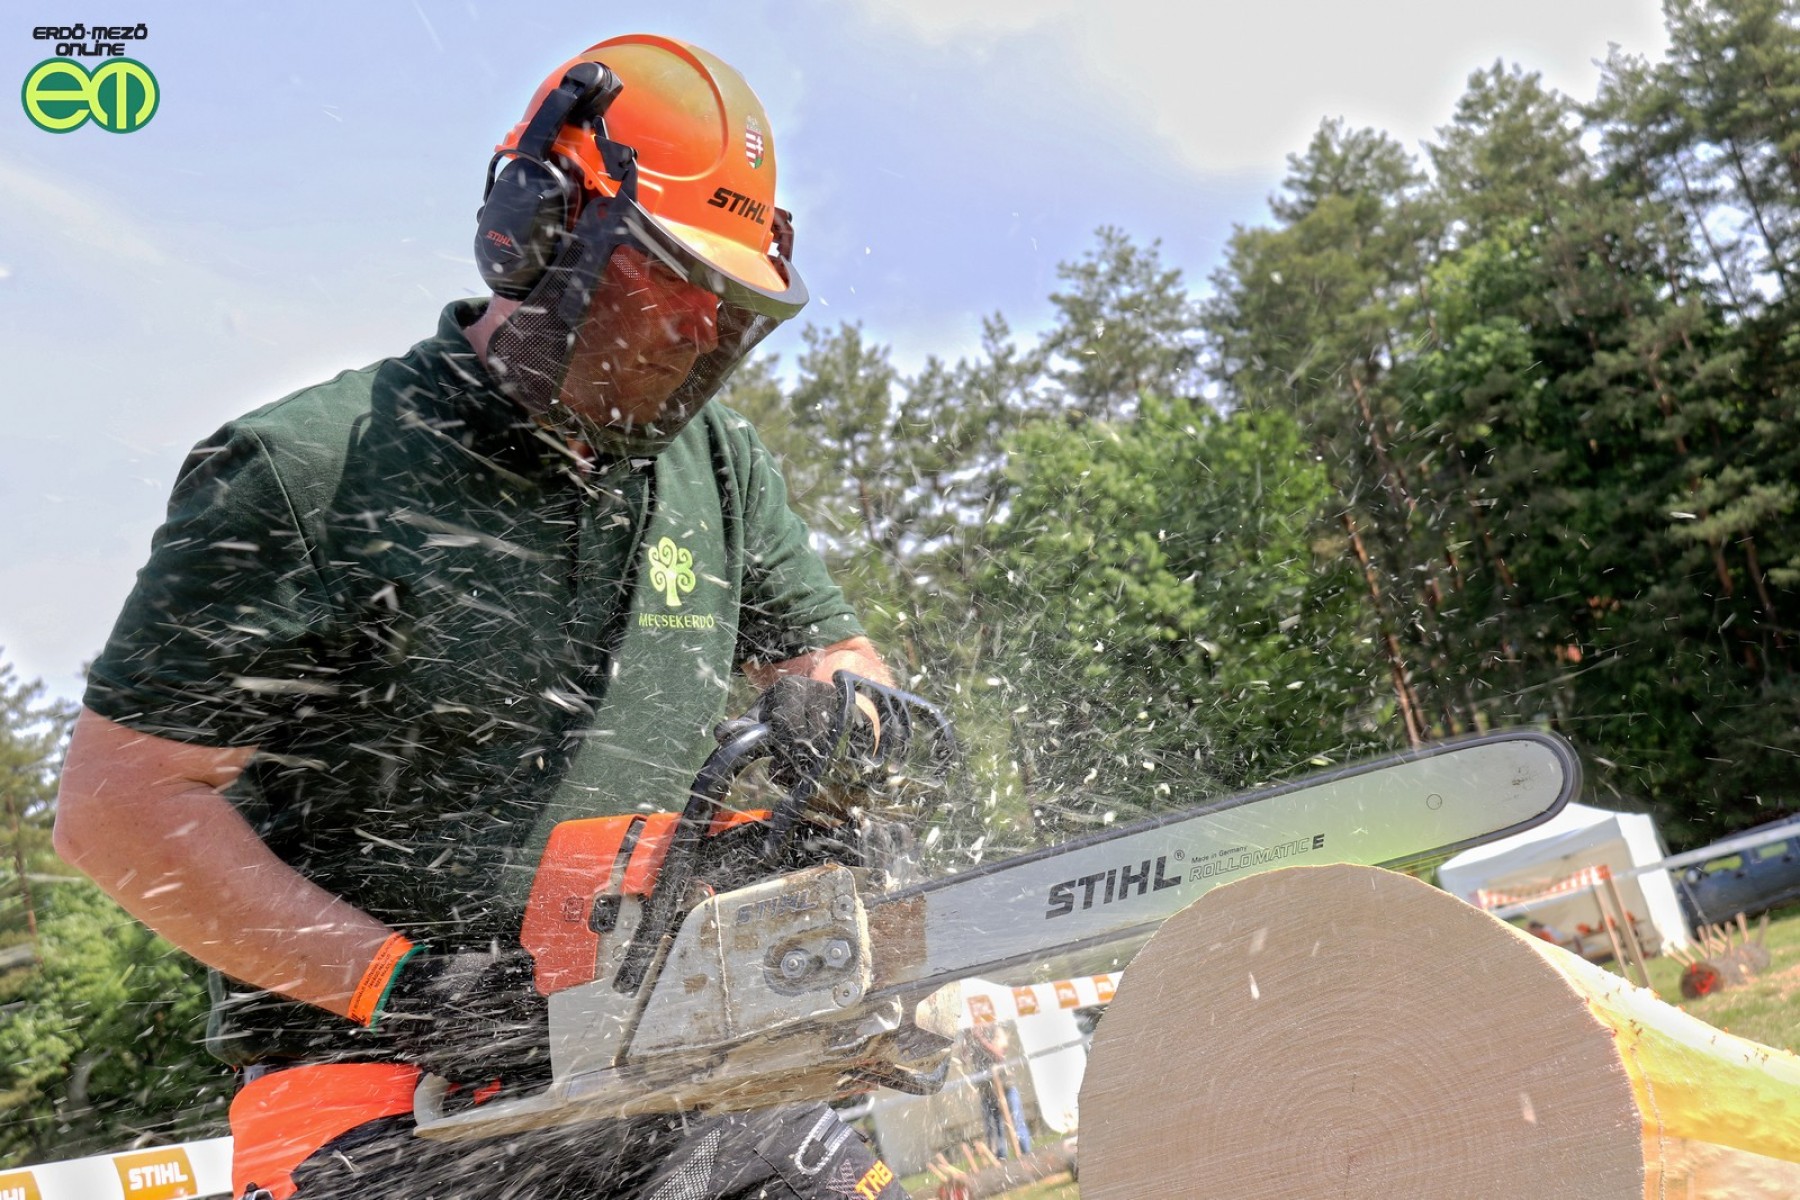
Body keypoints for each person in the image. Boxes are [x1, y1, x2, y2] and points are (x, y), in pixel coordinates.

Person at [54, 34, 909, 1200]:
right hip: (383, 1095)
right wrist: (402, 986)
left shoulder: (715, 466)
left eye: (726, 308)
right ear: (538, 230)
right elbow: (118, 807)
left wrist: (841, 715)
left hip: (675, 1057)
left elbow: (834, 655)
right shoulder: (308, 473)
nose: (693, 336)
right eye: (663, 286)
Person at [966, 1022, 1031, 1161]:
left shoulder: (996, 1030)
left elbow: (1000, 1055)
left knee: (1016, 1122)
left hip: (1005, 1085)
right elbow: (964, 1059)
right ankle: (1002, 1162)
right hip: (986, 1090)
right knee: (994, 1129)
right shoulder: (969, 1035)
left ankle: (1027, 1156)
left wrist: (981, 1039)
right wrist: (968, 1040)